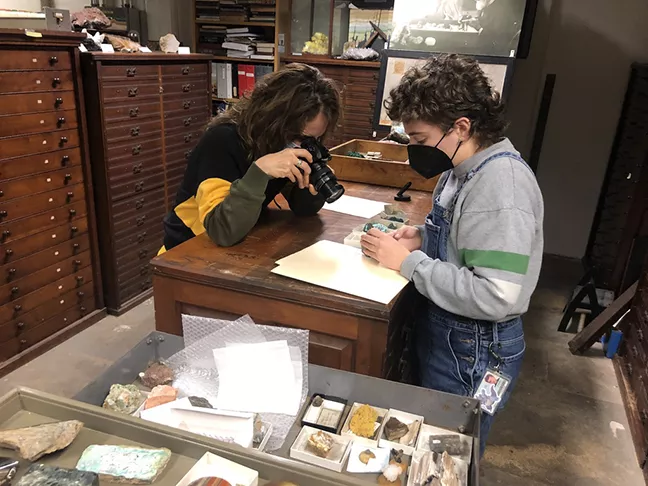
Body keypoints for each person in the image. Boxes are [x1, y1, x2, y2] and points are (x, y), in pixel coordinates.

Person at [360, 54, 544, 454]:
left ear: (461, 126)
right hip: (450, 333)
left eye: (420, 139)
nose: (415, 150)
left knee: (447, 455)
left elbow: (496, 294)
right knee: (427, 443)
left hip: (476, 351)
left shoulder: (501, 187)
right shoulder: (461, 169)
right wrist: (423, 238)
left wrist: (408, 263)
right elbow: (470, 243)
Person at [159, 63, 340, 253]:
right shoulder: (222, 141)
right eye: (299, 137)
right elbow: (222, 231)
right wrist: (260, 173)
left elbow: (302, 209)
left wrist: (310, 187)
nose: (300, 145)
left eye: (314, 139)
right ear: (273, 120)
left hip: (239, 245)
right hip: (185, 252)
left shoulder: (281, 142)